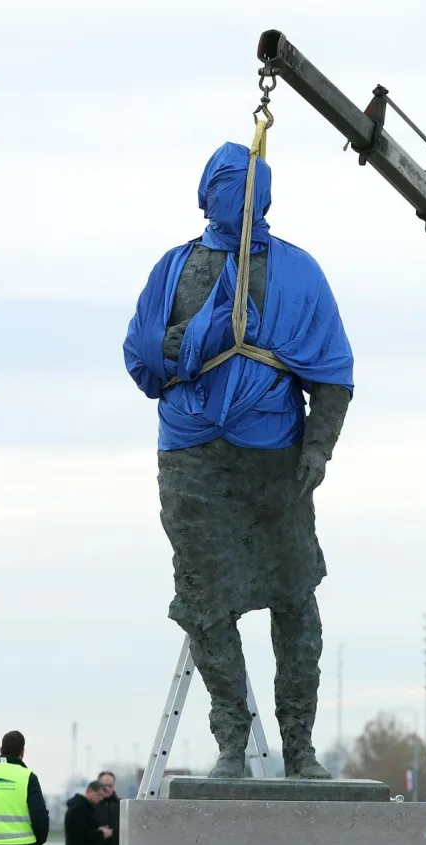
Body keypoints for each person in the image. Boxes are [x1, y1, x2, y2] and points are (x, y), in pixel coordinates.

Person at [124, 140, 354, 780]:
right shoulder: (175, 268)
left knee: (296, 598)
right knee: (204, 602)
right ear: (209, 193)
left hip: (274, 460)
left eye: (256, 188)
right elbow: (145, 353)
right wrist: (200, 339)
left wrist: (318, 449)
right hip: (192, 458)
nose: (247, 199)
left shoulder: (298, 272)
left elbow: (333, 371)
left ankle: (300, 749)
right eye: (234, 187)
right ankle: (232, 742)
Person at [94, 771, 120, 845]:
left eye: (110, 786)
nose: (107, 789)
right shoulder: (91, 805)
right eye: (104, 785)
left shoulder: (121, 805)